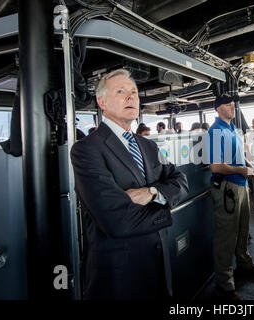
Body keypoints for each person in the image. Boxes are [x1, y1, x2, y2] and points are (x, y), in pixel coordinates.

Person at [70, 69, 189, 300]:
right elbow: (117, 220)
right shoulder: (87, 150)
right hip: (120, 273)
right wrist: (165, 209)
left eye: (134, 92)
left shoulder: (149, 146)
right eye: (121, 91)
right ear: (102, 102)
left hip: (159, 261)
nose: (131, 97)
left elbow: (181, 181)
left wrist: (152, 192)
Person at [208, 93, 254, 300]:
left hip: (241, 185)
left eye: (233, 104)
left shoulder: (234, 129)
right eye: (228, 105)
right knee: (226, 236)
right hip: (227, 188)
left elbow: (240, 156)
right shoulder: (216, 131)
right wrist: (241, 171)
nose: (233, 107)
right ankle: (224, 284)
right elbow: (215, 166)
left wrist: (249, 166)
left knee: (243, 229)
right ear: (218, 109)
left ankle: (244, 264)